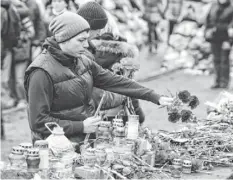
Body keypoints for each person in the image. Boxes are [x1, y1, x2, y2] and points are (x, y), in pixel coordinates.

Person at [24, 12, 173, 145]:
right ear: (64, 38)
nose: (86, 44)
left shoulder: (82, 60)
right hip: (56, 150)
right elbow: (38, 122)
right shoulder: (40, 72)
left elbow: (115, 81)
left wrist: (154, 96)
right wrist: (81, 126)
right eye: (81, 40)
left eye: (87, 39)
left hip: (85, 142)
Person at [77, 1, 145, 124]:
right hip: (115, 114)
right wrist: (139, 113)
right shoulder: (123, 53)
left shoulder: (84, 50)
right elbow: (126, 85)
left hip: (88, 116)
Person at [205, 0, 233, 89]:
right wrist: (207, 31)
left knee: (224, 60)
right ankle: (217, 81)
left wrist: (230, 40)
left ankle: (224, 82)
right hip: (214, 37)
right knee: (216, 60)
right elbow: (208, 19)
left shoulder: (231, 8)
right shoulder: (213, 6)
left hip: (226, 38)